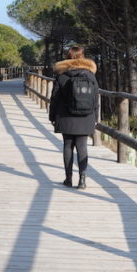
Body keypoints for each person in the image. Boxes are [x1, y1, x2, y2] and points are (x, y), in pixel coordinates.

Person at [49, 46, 99, 189]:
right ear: (82, 56)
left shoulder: (62, 75)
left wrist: (52, 116)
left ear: (68, 57)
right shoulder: (90, 75)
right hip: (86, 117)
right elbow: (96, 98)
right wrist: (95, 117)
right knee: (82, 147)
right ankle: (82, 180)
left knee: (67, 146)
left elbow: (55, 98)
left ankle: (68, 179)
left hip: (65, 117)